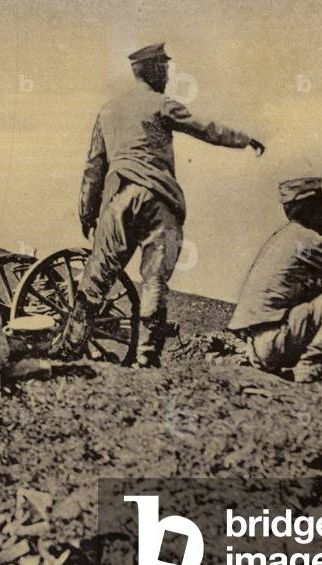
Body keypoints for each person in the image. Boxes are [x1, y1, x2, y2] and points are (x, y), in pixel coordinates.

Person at [52, 42, 266, 367]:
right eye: (164, 68)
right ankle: (147, 356)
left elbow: (93, 167)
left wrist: (87, 212)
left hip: (118, 201)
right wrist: (244, 139)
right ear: (153, 71)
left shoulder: (108, 111)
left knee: (96, 276)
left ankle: (70, 349)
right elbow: (205, 128)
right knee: (154, 278)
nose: (167, 75)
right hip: (158, 199)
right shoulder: (161, 103)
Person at [227, 178, 322, 382]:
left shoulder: (288, 236)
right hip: (277, 341)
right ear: (312, 207)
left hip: (261, 346)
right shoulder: (306, 238)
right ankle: (313, 362)